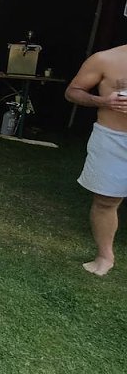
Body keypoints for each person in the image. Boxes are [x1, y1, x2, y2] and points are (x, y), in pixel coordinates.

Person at [64, 44, 127, 276]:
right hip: (113, 138)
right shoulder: (105, 59)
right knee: (106, 202)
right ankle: (104, 256)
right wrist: (104, 101)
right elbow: (73, 92)